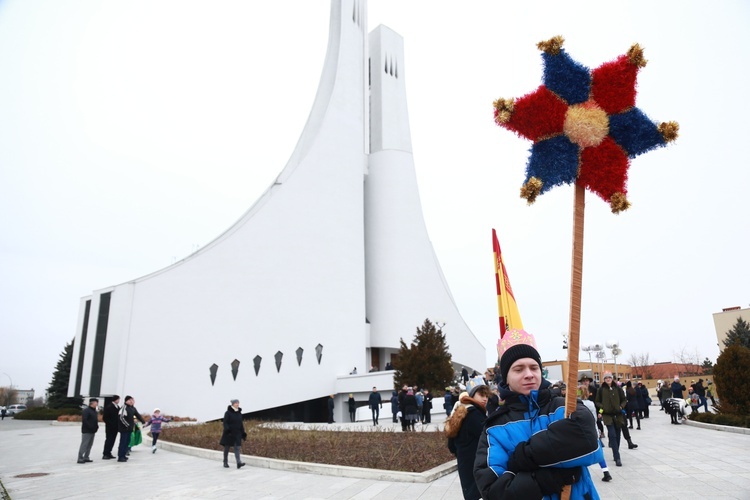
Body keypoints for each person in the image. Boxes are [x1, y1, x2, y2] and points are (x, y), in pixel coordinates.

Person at [474, 329, 602, 499]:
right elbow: (493, 490)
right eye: (518, 369)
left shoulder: (562, 407)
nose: (529, 374)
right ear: (506, 377)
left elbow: (589, 444)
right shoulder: (494, 429)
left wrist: (524, 456)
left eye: (534, 367)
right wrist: (542, 480)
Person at [446, 379, 490, 500]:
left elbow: (451, 445)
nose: (485, 398)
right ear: (471, 395)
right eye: (481, 395)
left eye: (486, 395)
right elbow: (488, 438)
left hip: (464, 463)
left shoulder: (461, 412)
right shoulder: (475, 414)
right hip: (476, 464)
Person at [579, 385, 612, 482]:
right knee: (599, 452)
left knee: (579, 453)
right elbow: (595, 418)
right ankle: (606, 472)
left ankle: (581, 475)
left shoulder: (577, 404)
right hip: (593, 430)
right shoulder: (591, 403)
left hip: (581, 432)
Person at [219, 399, 246, 469]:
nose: (237, 404)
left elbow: (241, 424)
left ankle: (238, 463)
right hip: (229, 433)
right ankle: (225, 461)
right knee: (227, 448)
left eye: (238, 403)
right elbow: (225, 422)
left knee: (237, 448)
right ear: (233, 404)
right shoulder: (228, 413)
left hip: (237, 433)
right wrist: (227, 430)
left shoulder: (239, 413)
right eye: (236, 403)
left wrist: (243, 433)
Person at [117, 395, 144, 462]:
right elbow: (121, 418)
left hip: (130, 429)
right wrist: (127, 425)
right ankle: (120, 456)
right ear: (126, 401)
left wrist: (143, 421)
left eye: (132, 400)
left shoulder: (132, 408)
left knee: (127, 442)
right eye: (130, 400)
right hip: (124, 429)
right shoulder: (124, 408)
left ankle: (124, 455)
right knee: (123, 442)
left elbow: (137, 415)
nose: (131, 401)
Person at [77, 398, 99, 464]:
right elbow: (85, 420)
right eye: (96, 402)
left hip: (93, 431)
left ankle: (86, 457)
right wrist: (90, 427)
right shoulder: (86, 410)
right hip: (87, 430)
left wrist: (96, 427)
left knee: (89, 445)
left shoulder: (94, 411)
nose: (97, 404)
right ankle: (80, 458)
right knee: (84, 444)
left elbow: (95, 420)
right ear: (92, 403)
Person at [102, 395, 120, 460]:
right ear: (115, 399)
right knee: (109, 440)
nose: (119, 401)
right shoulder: (109, 407)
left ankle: (109, 452)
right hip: (110, 427)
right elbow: (105, 418)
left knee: (112, 440)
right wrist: (111, 424)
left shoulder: (117, 407)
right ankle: (105, 453)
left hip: (115, 427)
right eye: (118, 399)